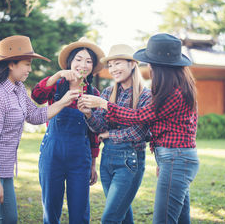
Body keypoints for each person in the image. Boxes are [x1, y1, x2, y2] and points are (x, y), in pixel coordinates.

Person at [80, 33, 199, 224]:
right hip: (172, 158)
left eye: (151, 63)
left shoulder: (168, 94)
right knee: (180, 219)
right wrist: (89, 114)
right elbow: (181, 129)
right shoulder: (176, 88)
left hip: (173, 159)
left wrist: (105, 109)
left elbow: (140, 120)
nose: (149, 66)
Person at [0, 35, 80, 224]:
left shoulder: (18, 88)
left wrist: (64, 101)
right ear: (11, 64)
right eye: (26, 64)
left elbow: (35, 115)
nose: (29, 69)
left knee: (10, 219)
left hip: (4, 169)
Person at [31, 38, 105, 224]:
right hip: (52, 155)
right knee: (51, 207)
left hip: (80, 158)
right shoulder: (56, 86)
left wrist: (93, 163)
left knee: (80, 210)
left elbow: (94, 134)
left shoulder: (94, 94)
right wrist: (57, 76)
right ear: (70, 62)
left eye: (88, 61)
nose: (83, 65)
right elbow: (36, 96)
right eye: (79, 59)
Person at [77, 44, 151, 224]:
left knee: (110, 218)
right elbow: (100, 127)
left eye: (118, 63)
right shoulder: (108, 92)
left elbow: (141, 131)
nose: (113, 69)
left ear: (132, 64)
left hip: (130, 161)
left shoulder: (145, 95)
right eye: (110, 65)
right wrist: (88, 114)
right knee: (123, 215)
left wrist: (111, 135)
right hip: (108, 159)